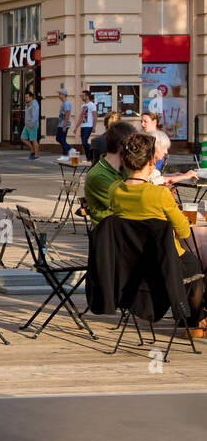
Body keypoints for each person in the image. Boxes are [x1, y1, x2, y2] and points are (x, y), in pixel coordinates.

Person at [108, 131, 203, 319]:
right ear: (151, 162)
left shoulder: (114, 190)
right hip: (163, 260)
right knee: (194, 264)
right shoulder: (160, 194)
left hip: (129, 261)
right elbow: (184, 231)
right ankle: (193, 320)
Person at [84, 120, 138, 224]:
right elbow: (124, 206)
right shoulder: (98, 175)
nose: (135, 151)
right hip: (112, 232)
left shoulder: (124, 169)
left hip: (125, 226)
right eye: (133, 147)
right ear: (124, 147)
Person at [21, 89, 41, 159]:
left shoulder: (34, 104)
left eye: (27, 97)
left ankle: (36, 155)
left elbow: (35, 115)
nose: (26, 99)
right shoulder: (28, 104)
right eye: (25, 97)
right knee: (23, 138)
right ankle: (32, 149)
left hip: (32, 125)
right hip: (27, 125)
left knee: (33, 139)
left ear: (31, 97)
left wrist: (32, 124)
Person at [56, 87, 73, 154]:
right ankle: (69, 149)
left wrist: (64, 125)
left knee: (62, 140)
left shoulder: (66, 103)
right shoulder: (64, 103)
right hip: (60, 124)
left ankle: (66, 154)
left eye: (60, 94)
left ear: (63, 95)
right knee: (58, 139)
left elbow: (67, 114)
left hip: (63, 124)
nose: (59, 95)